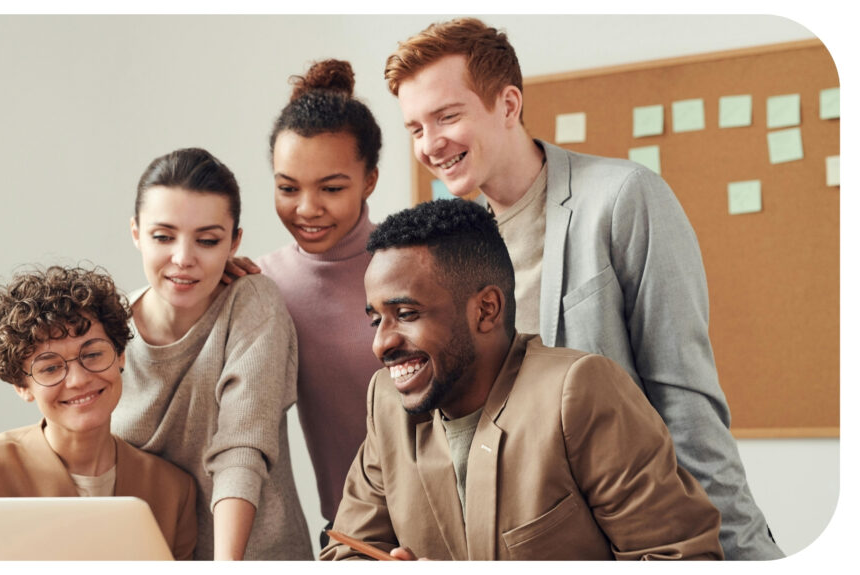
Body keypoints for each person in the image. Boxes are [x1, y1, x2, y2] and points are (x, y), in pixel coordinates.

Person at [383, 17, 780, 559]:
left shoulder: (622, 198)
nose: (430, 144)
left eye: (447, 116)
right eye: (414, 128)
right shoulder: (457, 251)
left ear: (508, 105)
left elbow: (685, 400)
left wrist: (741, 553)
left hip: (643, 534)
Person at [321, 199, 723, 561]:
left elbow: (681, 559)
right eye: (376, 319)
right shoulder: (388, 402)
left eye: (406, 314)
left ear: (486, 310)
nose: (381, 343)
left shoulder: (578, 392)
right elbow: (345, 552)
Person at [110, 147, 312, 560]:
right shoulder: (107, 330)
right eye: (163, 236)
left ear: (234, 240)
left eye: (207, 240)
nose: (183, 259)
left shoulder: (252, 301)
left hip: (254, 559)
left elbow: (242, 445)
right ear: (135, 233)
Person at [225, 59, 385, 549]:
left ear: (370, 181)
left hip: (453, 525)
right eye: (287, 188)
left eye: (332, 188)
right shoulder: (261, 284)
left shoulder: (415, 264)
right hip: (350, 538)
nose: (307, 208)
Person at [0, 265, 197, 560]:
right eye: (50, 367)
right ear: (22, 386)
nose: (79, 379)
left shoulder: (174, 490)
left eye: (93, 354)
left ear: (120, 355)